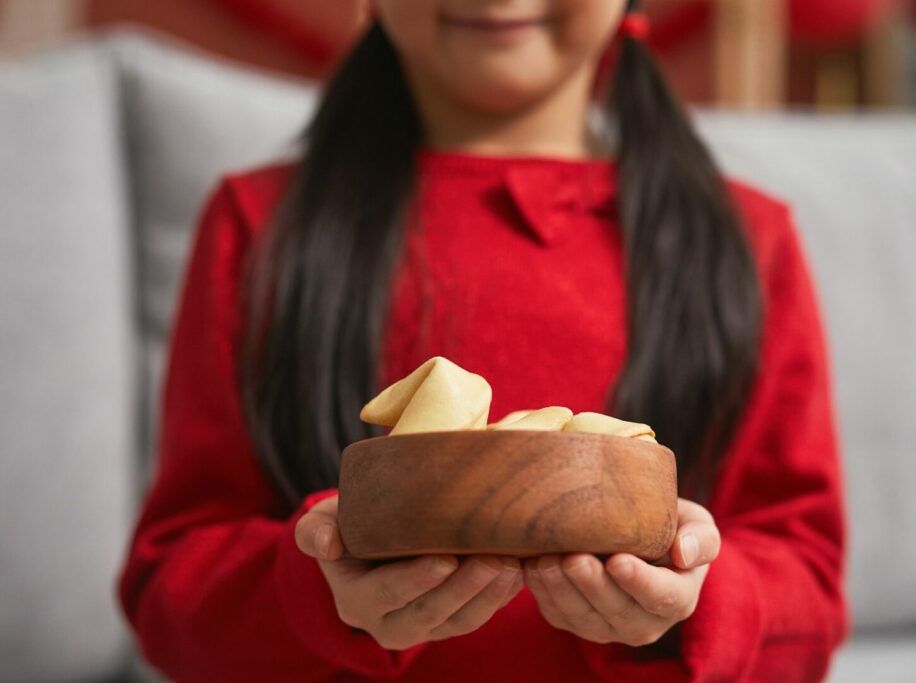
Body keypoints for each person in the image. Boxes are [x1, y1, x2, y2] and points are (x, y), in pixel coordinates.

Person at [118, 1, 847, 681]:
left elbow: (809, 593)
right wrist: (321, 583)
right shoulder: (258, 229)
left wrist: (696, 598)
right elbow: (170, 593)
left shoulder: (748, 243)